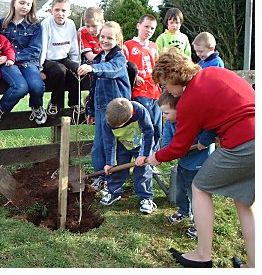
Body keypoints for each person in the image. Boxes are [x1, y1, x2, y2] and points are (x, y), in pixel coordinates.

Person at [148, 49, 255, 268]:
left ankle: (202, 255)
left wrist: (157, 157)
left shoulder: (190, 98)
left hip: (242, 143)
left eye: (164, 84)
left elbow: (179, 146)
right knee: (244, 201)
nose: (166, 89)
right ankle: (254, 265)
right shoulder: (215, 72)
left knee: (199, 187)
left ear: (172, 77)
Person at [77, 21, 131, 196]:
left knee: (114, 146)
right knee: (98, 145)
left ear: (118, 39)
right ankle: (100, 175)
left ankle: (114, 180)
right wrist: (90, 110)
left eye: (110, 37)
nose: (105, 40)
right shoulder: (99, 57)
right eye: (103, 37)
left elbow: (111, 70)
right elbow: (93, 88)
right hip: (101, 109)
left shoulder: (119, 58)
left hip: (118, 110)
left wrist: (92, 68)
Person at [158, 91, 216, 237]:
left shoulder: (194, 119)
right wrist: (167, 152)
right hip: (183, 162)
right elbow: (166, 143)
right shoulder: (170, 124)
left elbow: (210, 127)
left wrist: (204, 141)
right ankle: (183, 212)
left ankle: (199, 223)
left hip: (199, 163)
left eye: (166, 113)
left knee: (196, 194)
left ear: (180, 110)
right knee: (181, 189)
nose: (163, 116)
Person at [0, 0, 47, 125]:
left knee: (36, 85)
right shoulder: (2, 23)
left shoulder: (35, 25)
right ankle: (0, 109)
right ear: (14, 2)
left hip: (28, 62)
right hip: (8, 63)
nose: (25, 6)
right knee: (20, 87)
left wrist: (14, 57)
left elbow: (35, 49)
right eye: (22, 2)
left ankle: (36, 107)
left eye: (28, 4)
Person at [101, 98, 156, 213]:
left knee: (143, 170)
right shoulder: (107, 121)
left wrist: (143, 154)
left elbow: (149, 132)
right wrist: (109, 163)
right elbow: (108, 143)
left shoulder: (139, 111)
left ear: (130, 116)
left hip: (142, 144)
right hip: (123, 145)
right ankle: (114, 192)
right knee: (118, 167)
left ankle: (146, 197)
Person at [123, 14, 162, 152]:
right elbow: (124, 66)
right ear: (138, 26)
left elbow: (158, 67)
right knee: (147, 126)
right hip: (140, 92)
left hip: (156, 93)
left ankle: (153, 158)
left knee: (158, 127)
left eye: (152, 28)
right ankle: (145, 156)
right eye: (146, 26)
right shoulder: (128, 46)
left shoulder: (154, 46)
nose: (149, 30)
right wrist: (135, 76)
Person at [40, 0, 82, 116]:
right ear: (51, 10)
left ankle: (75, 102)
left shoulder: (70, 24)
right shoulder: (46, 24)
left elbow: (74, 46)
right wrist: (40, 69)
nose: (60, 14)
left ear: (69, 12)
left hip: (63, 57)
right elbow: (42, 47)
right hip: (48, 60)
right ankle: (55, 102)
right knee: (60, 71)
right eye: (57, 10)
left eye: (63, 11)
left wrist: (75, 63)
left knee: (77, 69)